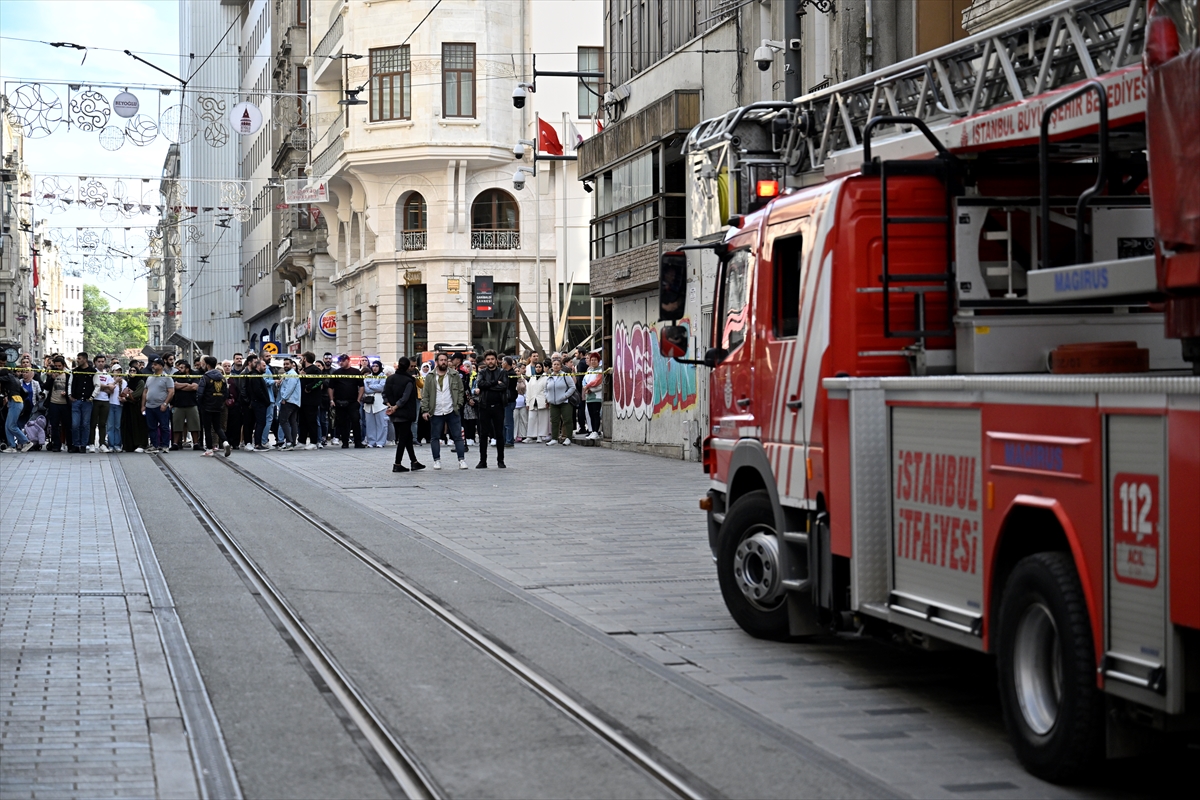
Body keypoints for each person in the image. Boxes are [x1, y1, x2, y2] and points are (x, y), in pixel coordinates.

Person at [420, 352, 468, 470]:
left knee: (457, 436)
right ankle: (436, 460)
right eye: (441, 360)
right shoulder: (430, 376)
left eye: (445, 360)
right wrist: (425, 410)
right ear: (437, 362)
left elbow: (461, 391)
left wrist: (459, 404)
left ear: (448, 362)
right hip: (436, 410)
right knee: (435, 437)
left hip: (451, 409)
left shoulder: (454, 374)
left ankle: (461, 460)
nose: (443, 362)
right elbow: (425, 394)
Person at [384, 357, 424, 472]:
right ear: (407, 367)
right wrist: (396, 407)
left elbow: (384, 393)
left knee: (407, 437)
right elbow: (405, 397)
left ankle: (414, 461)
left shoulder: (390, 379)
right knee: (403, 438)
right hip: (404, 412)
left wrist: (390, 406)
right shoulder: (409, 380)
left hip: (394, 412)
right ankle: (397, 463)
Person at [473, 350, 509, 469]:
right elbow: (480, 384)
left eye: (492, 359)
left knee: (499, 434)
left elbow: (503, 386)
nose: (490, 361)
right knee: (483, 434)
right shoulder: (482, 372)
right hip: (484, 406)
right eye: (488, 359)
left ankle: (501, 460)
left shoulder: (502, 372)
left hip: (498, 406)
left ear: (496, 360)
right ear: (485, 361)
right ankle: (482, 461)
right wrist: (494, 383)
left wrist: (488, 387)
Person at [196, 356, 231, 457]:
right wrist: (221, 402)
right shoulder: (222, 377)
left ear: (207, 365)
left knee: (207, 428)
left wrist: (200, 403)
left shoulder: (205, 377)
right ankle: (225, 442)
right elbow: (226, 393)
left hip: (206, 405)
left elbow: (200, 392)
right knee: (217, 427)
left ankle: (209, 449)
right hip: (218, 405)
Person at [328, 354, 365, 448]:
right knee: (343, 423)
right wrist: (332, 400)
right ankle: (345, 442)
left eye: (343, 361)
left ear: (348, 361)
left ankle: (358, 442)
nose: (341, 363)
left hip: (353, 402)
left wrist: (358, 400)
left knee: (356, 421)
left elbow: (361, 386)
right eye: (340, 361)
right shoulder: (336, 373)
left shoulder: (356, 372)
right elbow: (330, 387)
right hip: (340, 401)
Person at [141, 357, 175, 453]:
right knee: (152, 427)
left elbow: (171, 392)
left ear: (161, 366)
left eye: (155, 364)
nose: (153, 366)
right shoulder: (149, 378)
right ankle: (154, 445)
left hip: (161, 406)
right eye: (152, 364)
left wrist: (165, 403)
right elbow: (145, 392)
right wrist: (143, 405)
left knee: (164, 426)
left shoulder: (167, 377)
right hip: (149, 406)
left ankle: (165, 445)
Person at [1, 366, 35, 452]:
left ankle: (26, 442)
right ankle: (12, 446)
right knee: (7, 425)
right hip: (16, 402)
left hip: (15, 402)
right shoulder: (14, 378)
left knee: (12, 426)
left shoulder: (8, 378)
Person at [170, 362, 202, 451]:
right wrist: (187, 385)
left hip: (192, 403)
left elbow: (195, 387)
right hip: (178, 404)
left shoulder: (194, 374)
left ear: (187, 369)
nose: (179, 369)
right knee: (177, 425)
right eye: (179, 367)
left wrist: (181, 386)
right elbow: (174, 386)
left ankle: (196, 443)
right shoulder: (176, 375)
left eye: (181, 367)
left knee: (194, 425)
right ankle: (175, 443)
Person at [245, 355, 274, 451]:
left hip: (259, 403)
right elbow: (258, 391)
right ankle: (258, 444)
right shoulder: (255, 376)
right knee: (261, 423)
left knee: (260, 423)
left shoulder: (256, 375)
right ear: (258, 366)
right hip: (258, 403)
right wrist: (266, 401)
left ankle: (257, 442)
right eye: (264, 366)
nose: (265, 368)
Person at [544, 357, 576, 446]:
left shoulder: (565, 375)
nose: (556, 366)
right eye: (554, 365)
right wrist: (547, 397)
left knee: (567, 420)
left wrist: (565, 396)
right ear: (552, 366)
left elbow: (572, 387)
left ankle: (568, 438)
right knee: (554, 420)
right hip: (553, 403)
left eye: (558, 365)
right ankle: (554, 438)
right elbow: (545, 389)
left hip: (565, 402)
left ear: (561, 367)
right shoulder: (549, 377)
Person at [68, 352, 95, 453]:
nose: (77, 360)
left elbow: (97, 385)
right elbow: (70, 383)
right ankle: (76, 444)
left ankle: (84, 444)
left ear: (85, 359)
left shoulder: (93, 371)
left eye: (79, 359)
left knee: (85, 424)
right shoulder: (74, 372)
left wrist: (92, 396)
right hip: (76, 400)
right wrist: (70, 395)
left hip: (87, 401)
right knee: (75, 424)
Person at [88, 355, 114, 452]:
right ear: (95, 362)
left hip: (105, 401)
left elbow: (111, 388)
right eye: (99, 361)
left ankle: (102, 443)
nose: (101, 363)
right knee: (93, 423)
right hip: (95, 400)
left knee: (103, 423)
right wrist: (105, 387)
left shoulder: (107, 374)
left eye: (103, 361)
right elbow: (94, 385)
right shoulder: (93, 373)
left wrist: (101, 387)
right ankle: (91, 443)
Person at [299, 352, 323, 449]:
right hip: (303, 400)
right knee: (302, 421)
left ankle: (313, 442)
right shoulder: (303, 370)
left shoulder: (315, 369)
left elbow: (319, 381)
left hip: (312, 400)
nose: (301, 360)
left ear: (305, 359)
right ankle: (302, 441)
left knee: (311, 421)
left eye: (302, 358)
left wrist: (309, 387)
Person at [362, 360, 389, 447]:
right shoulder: (368, 377)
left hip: (380, 403)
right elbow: (366, 389)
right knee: (370, 424)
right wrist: (374, 387)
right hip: (369, 402)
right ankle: (371, 441)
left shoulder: (383, 376)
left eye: (377, 366)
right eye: (373, 366)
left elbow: (381, 388)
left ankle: (380, 442)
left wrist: (371, 386)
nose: (375, 368)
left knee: (381, 423)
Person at [45, 355, 69, 452]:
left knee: (67, 425)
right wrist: (51, 378)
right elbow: (46, 386)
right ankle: (56, 445)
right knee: (54, 425)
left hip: (65, 403)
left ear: (63, 365)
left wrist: (67, 393)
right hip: (53, 402)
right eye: (56, 366)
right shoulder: (52, 374)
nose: (57, 368)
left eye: (59, 366)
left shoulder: (68, 375)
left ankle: (69, 444)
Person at [277, 356, 301, 450]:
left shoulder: (292, 374)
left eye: (287, 364)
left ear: (292, 365)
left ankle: (290, 442)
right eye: (284, 364)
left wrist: (284, 398)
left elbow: (290, 387)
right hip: (293, 401)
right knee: (292, 422)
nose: (285, 365)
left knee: (283, 421)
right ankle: (292, 442)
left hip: (289, 401)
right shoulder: (288, 374)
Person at [524, 361, 549, 442]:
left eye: (539, 367)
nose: (538, 369)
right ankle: (530, 436)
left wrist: (547, 401)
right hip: (532, 401)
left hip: (542, 401)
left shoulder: (546, 378)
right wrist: (527, 402)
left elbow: (547, 390)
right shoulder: (532, 378)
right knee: (531, 418)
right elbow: (528, 391)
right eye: (536, 367)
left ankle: (540, 436)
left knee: (542, 419)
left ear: (542, 368)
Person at [106, 364, 128, 453]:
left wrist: (123, 398)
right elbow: (108, 389)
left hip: (119, 405)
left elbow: (125, 393)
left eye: (119, 371)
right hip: (110, 404)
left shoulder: (124, 382)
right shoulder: (110, 380)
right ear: (112, 372)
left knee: (117, 426)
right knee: (110, 426)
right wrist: (115, 382)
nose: (118, 372)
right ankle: (111, 444)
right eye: (116, 371)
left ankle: (118, 444)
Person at [582, 352, 604, 440]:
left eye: (595, 360)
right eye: (592, 360)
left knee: (596, 414)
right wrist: (586, 388)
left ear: (598, 361)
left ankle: (596, 431)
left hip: (597, 397)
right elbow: (584, 381)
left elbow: (598, 383)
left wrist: (589, 388)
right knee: (591, 414)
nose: (593, 361)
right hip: (589, 397)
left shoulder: (600, 371)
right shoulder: (589, 371)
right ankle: (592, 431)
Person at [501, 355, 519, 447]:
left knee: (508, 422)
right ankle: (503, 440)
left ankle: (509, 440)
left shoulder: (511, 373)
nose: (501, 364)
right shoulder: (504, 372)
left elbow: (505, 385)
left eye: (503, 362)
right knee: (504, 422)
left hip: (509, 399)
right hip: (504, 400)